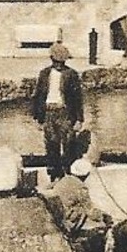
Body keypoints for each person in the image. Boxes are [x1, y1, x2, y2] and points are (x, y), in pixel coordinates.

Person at [31, 42, 84, 180]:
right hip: (49, 112)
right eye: (56, 61)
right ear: (52, 59)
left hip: (65, 112)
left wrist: (79, 119)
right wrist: (37, 117)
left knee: (68, 143)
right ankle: (54, 175)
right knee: (51, 145)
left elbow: (77, 98)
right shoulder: (44, 74)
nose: (59, 64)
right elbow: (38, 96)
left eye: (62, 62)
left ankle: (70, 174)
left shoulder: (71, 74)